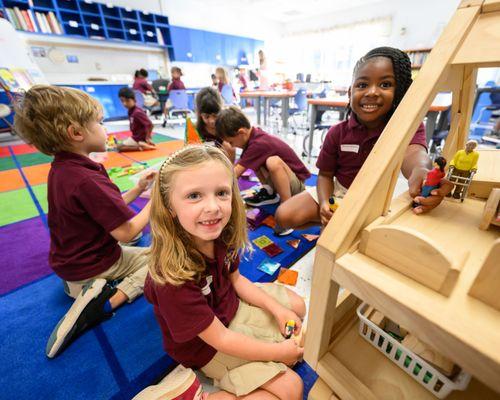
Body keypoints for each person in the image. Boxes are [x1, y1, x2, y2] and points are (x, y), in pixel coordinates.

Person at [144, 145, 305, 400]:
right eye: (194, 196)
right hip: (207, 347)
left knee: (297, 308)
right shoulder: (171, 277)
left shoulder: (220, 234)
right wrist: (277, 353)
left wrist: (278, 309)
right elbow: (220, 339)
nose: (213, 207)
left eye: (221, 193)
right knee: (291, 389)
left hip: (230, 310)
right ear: (169, 206)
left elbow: (237, 281)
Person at [14, 85, 157, 358]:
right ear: (76, 133)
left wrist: (138, 189)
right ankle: (106, 301)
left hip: (71, 266)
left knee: (138, 242)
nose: (106, 129)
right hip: (96, 263)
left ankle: (82, 288)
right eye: (100, 123)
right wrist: (156, 201)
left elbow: (107, 211)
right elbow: (125, 231)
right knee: (163, 259)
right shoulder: (86, 178)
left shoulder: (64, 169)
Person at [275, 46, 453, 229]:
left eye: (385, 84)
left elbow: (415, 154)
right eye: (362, 85)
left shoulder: (405, 128)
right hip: (340, 191)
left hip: (376, 199)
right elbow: (325, 175)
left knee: (343, 237)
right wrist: (324, 205)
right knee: (284, 215)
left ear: (400, 92)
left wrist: (421, 172)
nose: (372, 92)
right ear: (350, 93)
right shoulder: (337, 133)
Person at [215, 107, 310, 207]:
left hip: (297, 186)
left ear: (241, 132)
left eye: (231, 142)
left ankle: (287, 204)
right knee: (254, 162)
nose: (232, 146)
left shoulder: (258, 144)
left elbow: (235, 173)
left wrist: (217, 187)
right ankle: (269, 192)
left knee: (272, 162)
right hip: (286, 182)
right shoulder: (253, 136)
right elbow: (239, 165)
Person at [195, 87, 235, 162]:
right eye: (207, 117)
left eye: (215, 116)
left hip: (224, 162)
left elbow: (232, 148)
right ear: (200, 114)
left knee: (229, 147)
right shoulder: (195, 130)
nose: (212, 121)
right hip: (202, 163)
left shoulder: (226, 125)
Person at [117, 87, 156, 151]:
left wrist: (148, 138)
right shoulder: (131, 110)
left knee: (119, 147)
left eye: (127, 101)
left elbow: (150, 124)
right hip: (136, 137)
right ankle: (142, 144)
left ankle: (141, 146)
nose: (124, 103)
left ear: (134, 100)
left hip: (138, 138)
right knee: (121, 144)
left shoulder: (137, 112)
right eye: (122, 101)